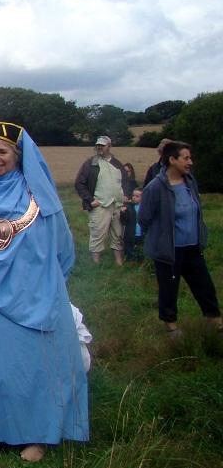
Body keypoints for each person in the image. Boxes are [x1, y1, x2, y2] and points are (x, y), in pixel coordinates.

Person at [0, 121, 89, 462]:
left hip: (35, 294)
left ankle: (38, 436)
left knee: (33, 365)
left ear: (18, 155)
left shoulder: (37, 194)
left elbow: (63, 247)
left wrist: (44, 282)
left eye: (2, 151)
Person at [138, 141, 222, 337]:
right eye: (186, 158)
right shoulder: (156, 187)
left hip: (193, 247)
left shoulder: (190, 181)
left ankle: (216, 322)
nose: (190, 162)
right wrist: (162, 236)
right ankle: (171, 328)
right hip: (169, 250)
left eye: (190, 158)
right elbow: (144, 218)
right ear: (172, 160)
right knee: (169, 290)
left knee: (205, 286)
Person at [74, 135, 128, 265]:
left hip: (117, 205)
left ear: (109, 146)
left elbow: (125, 182)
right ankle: (95, 264)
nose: (99, 147)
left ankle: (119, 262)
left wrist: (125, 198)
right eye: (98, 145)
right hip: (100, 205)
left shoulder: (117, 163)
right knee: (98, 235)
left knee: (118, 235)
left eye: (102, 145)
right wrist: (90, 200)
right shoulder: (90, 163)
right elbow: (79, 183)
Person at [121, 163, 140, 261]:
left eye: (128, 171)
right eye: (124, 171)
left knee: (129, 231)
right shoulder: (118, 183)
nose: (126, 173)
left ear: (131, 172)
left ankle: (131, 254)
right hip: (120, 209)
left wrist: (129, 201)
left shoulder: (133, 183)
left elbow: (137, 197)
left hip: (130, 209)